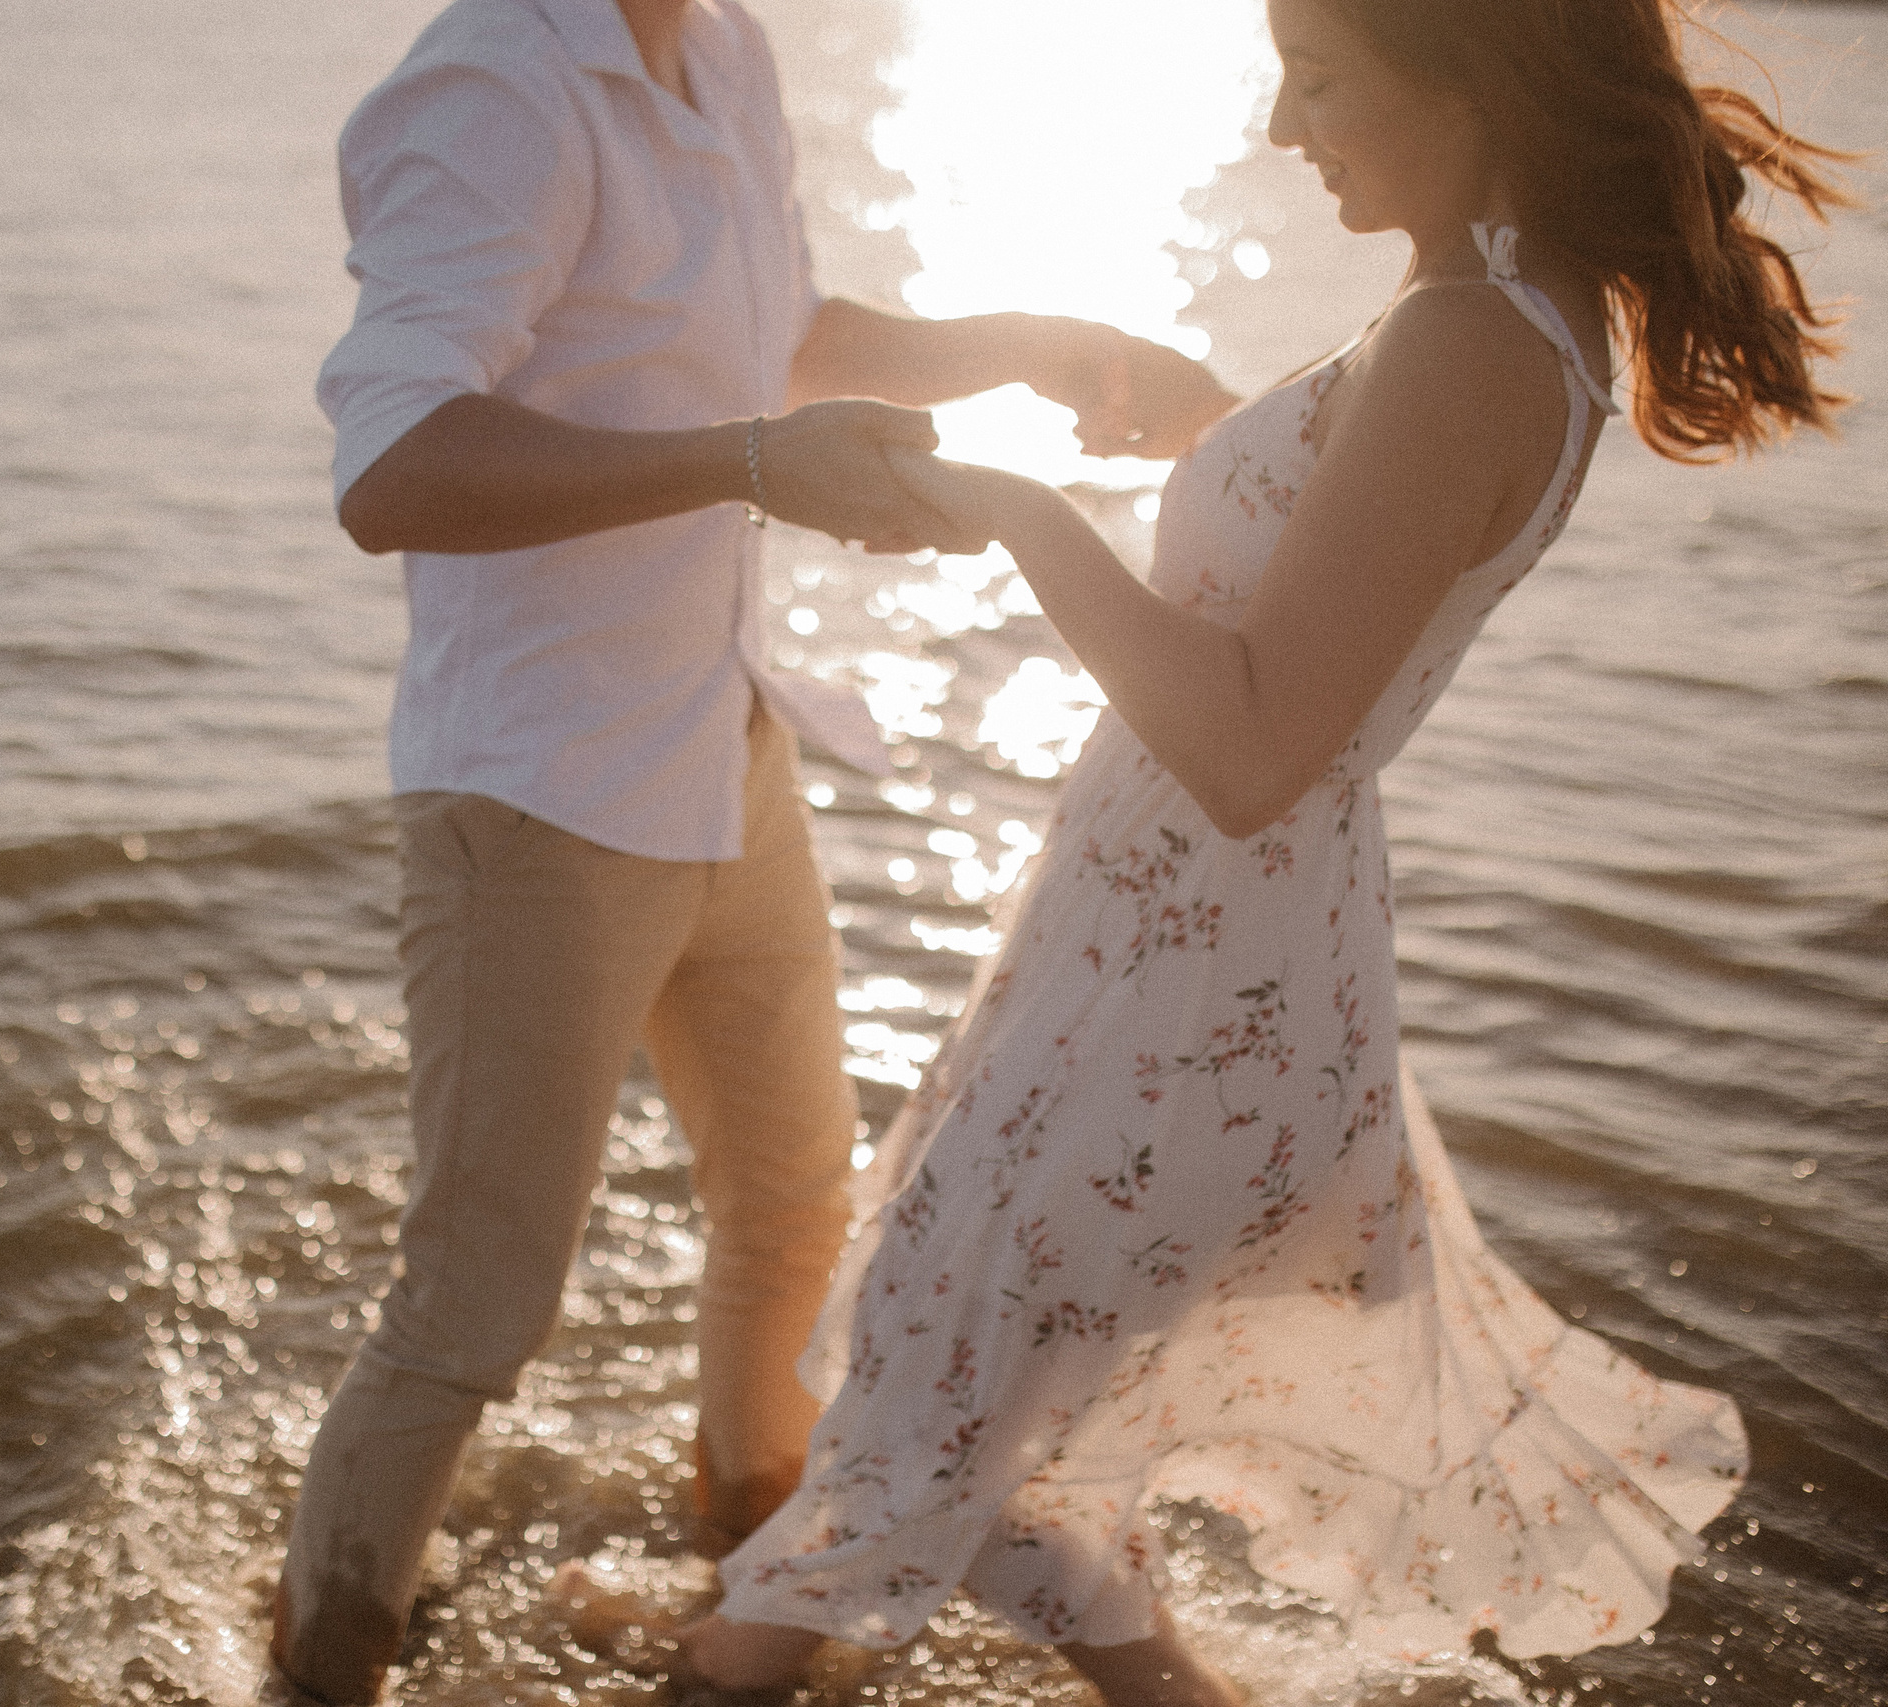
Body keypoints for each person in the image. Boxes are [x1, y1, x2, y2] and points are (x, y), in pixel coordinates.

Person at [670, 0, 1851, 1700]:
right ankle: (762, 1637)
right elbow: (1350, 573)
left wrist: (1013, 508)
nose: (1287, 129)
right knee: (984, 1407)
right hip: (1178, 951)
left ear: (1471, 81)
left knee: (942, 1368)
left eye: (1320, 82)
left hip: (1188, 983)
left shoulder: (1467, 338)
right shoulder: (1491, 318)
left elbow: (1245, 748)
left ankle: (723, 1662)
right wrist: (1224, 433)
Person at [270, 0, 1237, 1700]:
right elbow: (394, 462)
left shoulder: (721, 49)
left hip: (729, 758)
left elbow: (781, 337)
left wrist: (1029, 342)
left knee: (793, 1215)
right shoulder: (495, 86)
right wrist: (749, 466)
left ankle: (741, 1598)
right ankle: (318, 1668)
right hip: (538, 802)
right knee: (473, 1310)